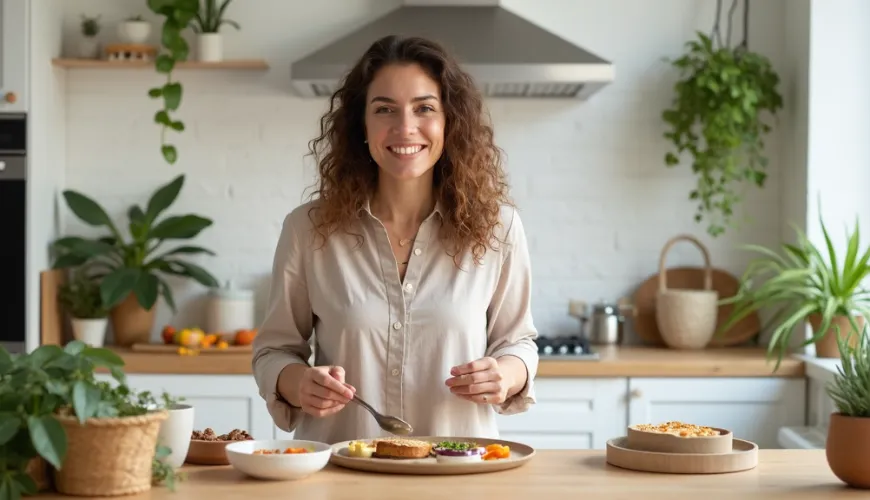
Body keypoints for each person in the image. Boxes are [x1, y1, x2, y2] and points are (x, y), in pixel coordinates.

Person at [251, 34, 539, 444]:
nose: (405, 127)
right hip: (341, 469)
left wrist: (506, 374)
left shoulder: (499, 228)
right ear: (362, 125)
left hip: (456, 469)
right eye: (384, 109)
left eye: (425, 108)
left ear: (450, 121)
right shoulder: (307, 230)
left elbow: (518, 342)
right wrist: (297, 383)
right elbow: (273, 351)